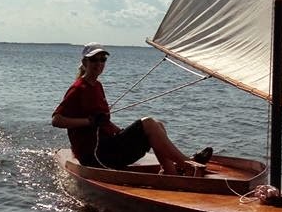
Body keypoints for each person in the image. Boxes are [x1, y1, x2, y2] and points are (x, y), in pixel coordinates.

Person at [51, 43, 212, 175]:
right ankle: (188, 164)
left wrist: (118, 130)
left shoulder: (97, 86)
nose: (99, 63)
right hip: (96, 155)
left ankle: (171, 173)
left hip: (108, 147)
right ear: (85, 63)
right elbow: (56, 120)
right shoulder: (78, 88)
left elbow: (103, 122)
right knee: (148, 123)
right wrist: (89, 121)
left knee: (158, 124)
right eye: (94, 60)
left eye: (103, 59)